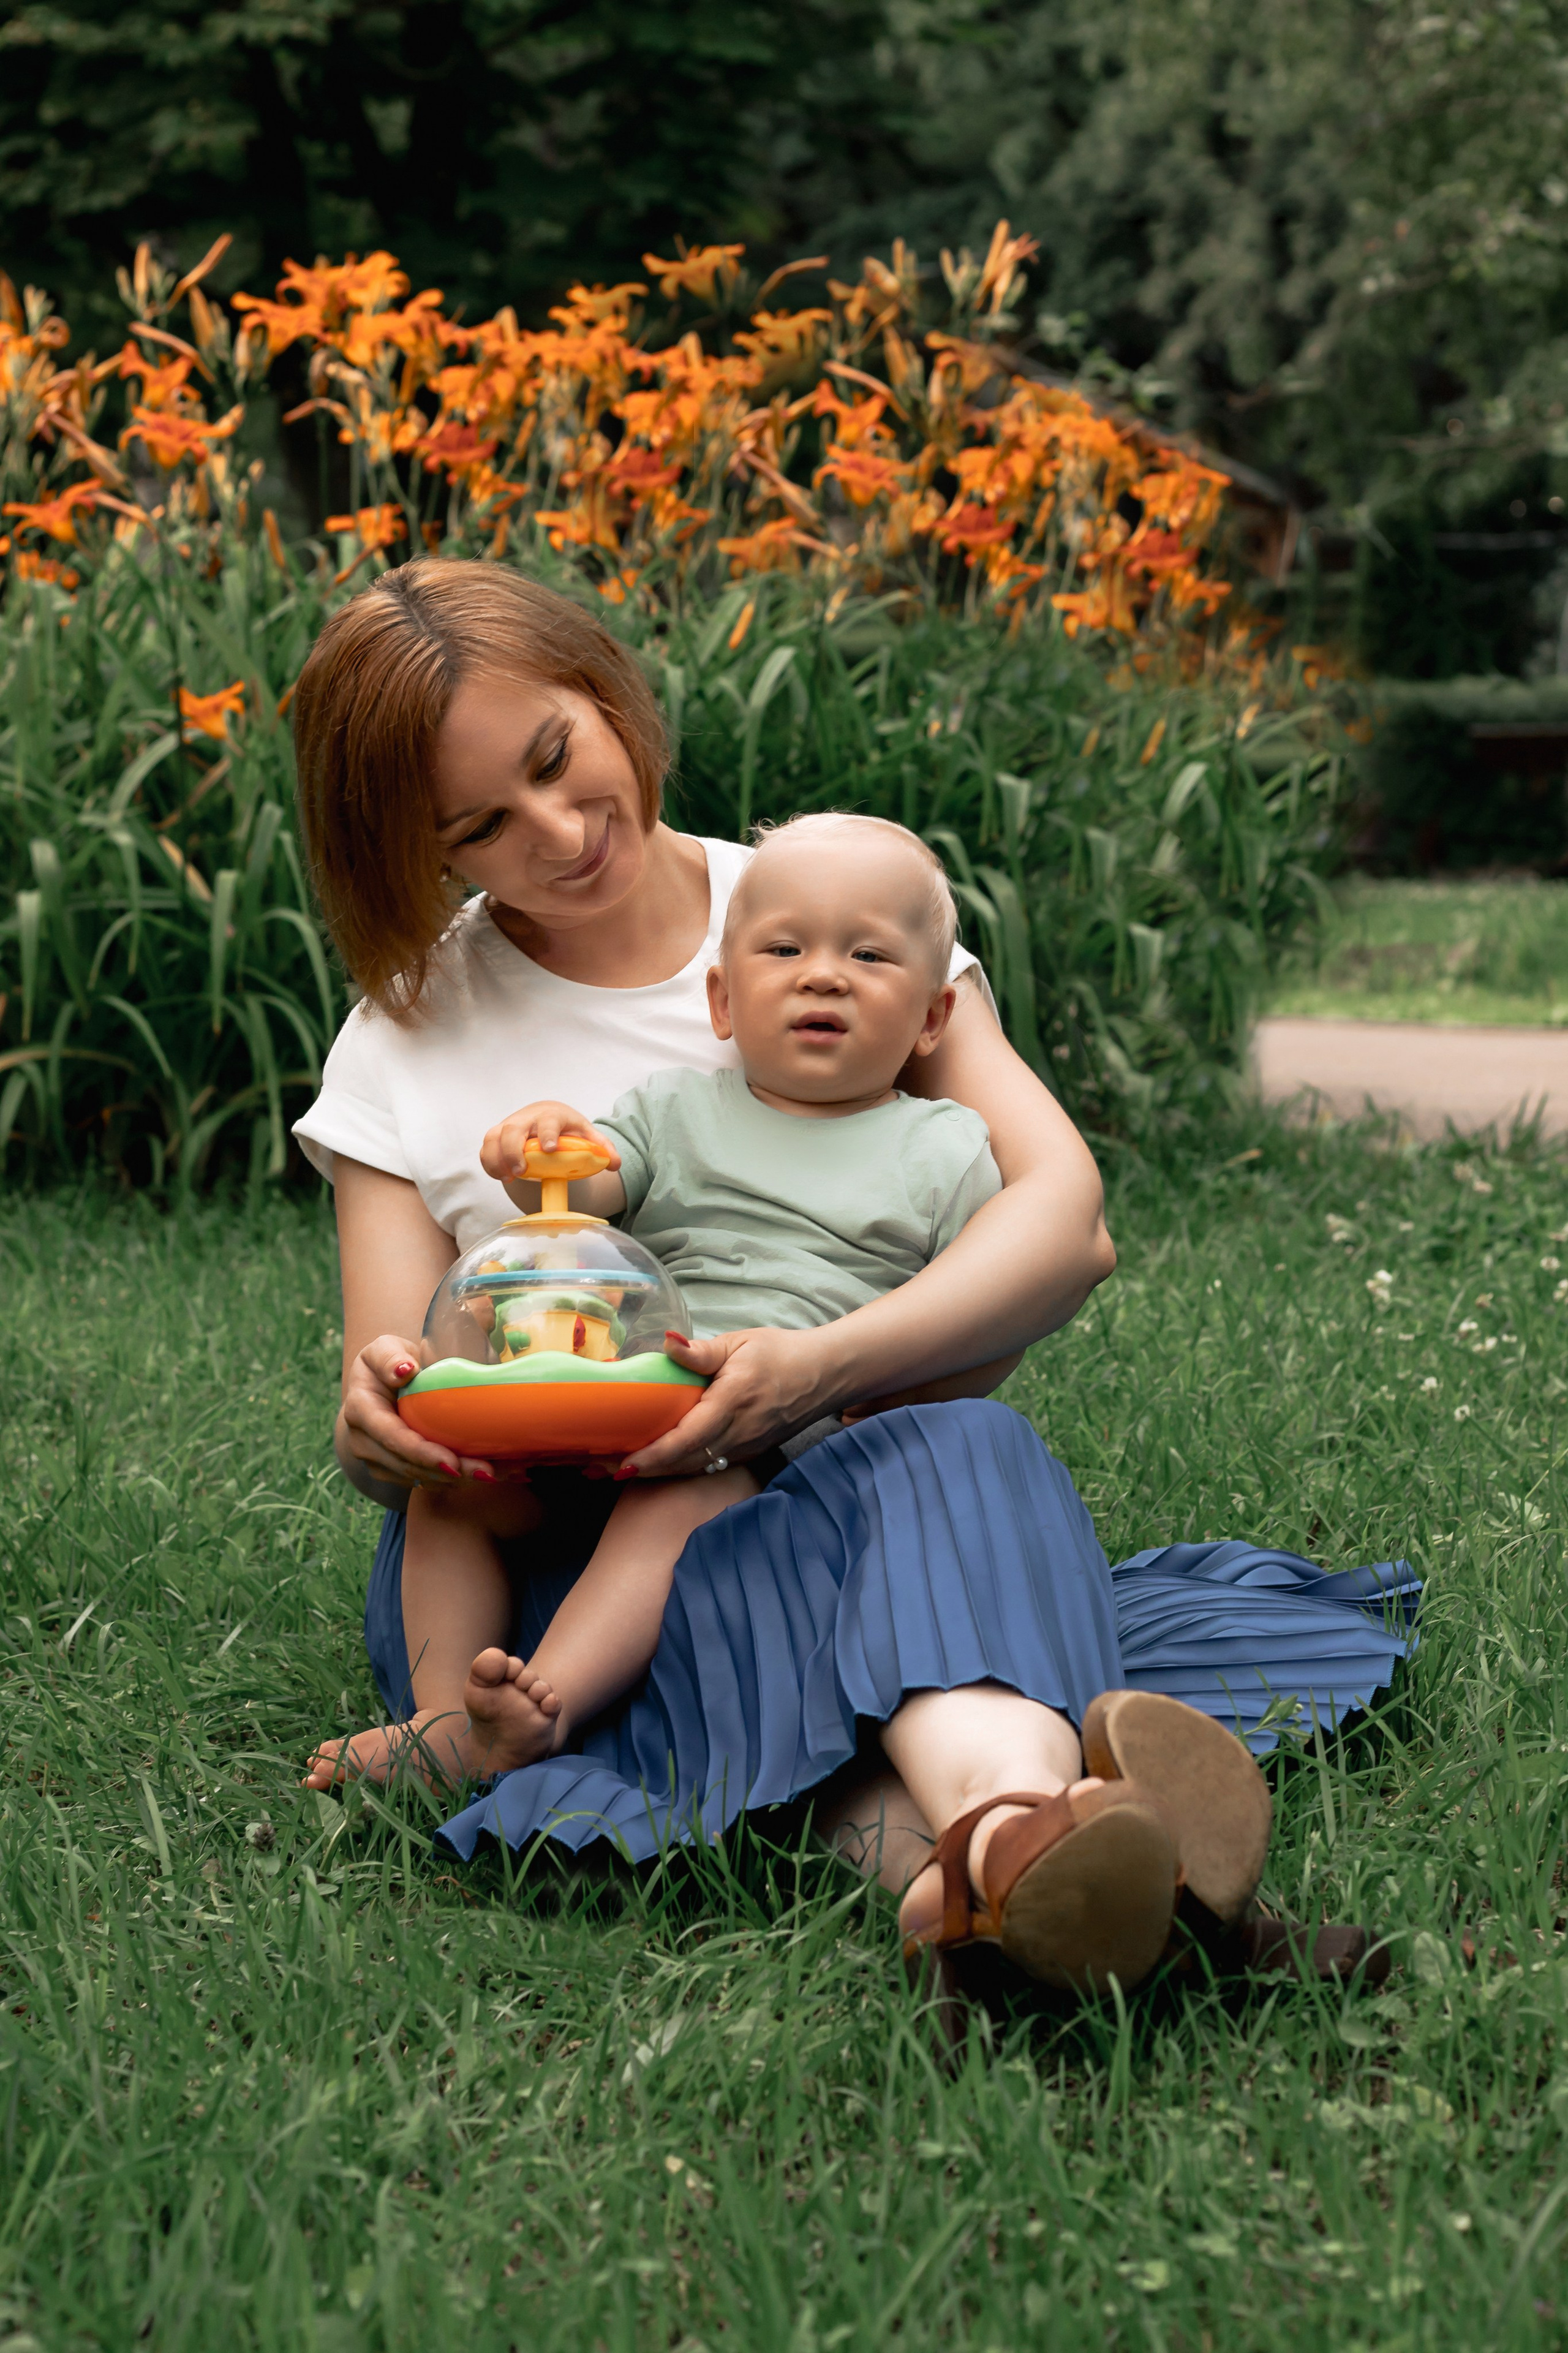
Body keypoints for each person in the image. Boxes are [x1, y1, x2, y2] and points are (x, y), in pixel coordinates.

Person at [289, 557, 1417, 1995]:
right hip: (552, 1592)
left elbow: (1061, 1223)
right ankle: (1108, 1884)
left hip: (824, 1480)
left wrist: (817, 1370)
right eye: (480, 827)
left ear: (603, 690)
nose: (560, 831)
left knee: (956, 1450)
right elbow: (394, 1400)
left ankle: (1002, 1881)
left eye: (558, 758)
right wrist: (379, 1421)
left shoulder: (832, 901)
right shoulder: (403, 1036)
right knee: (884, 1608)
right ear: (416, 848)